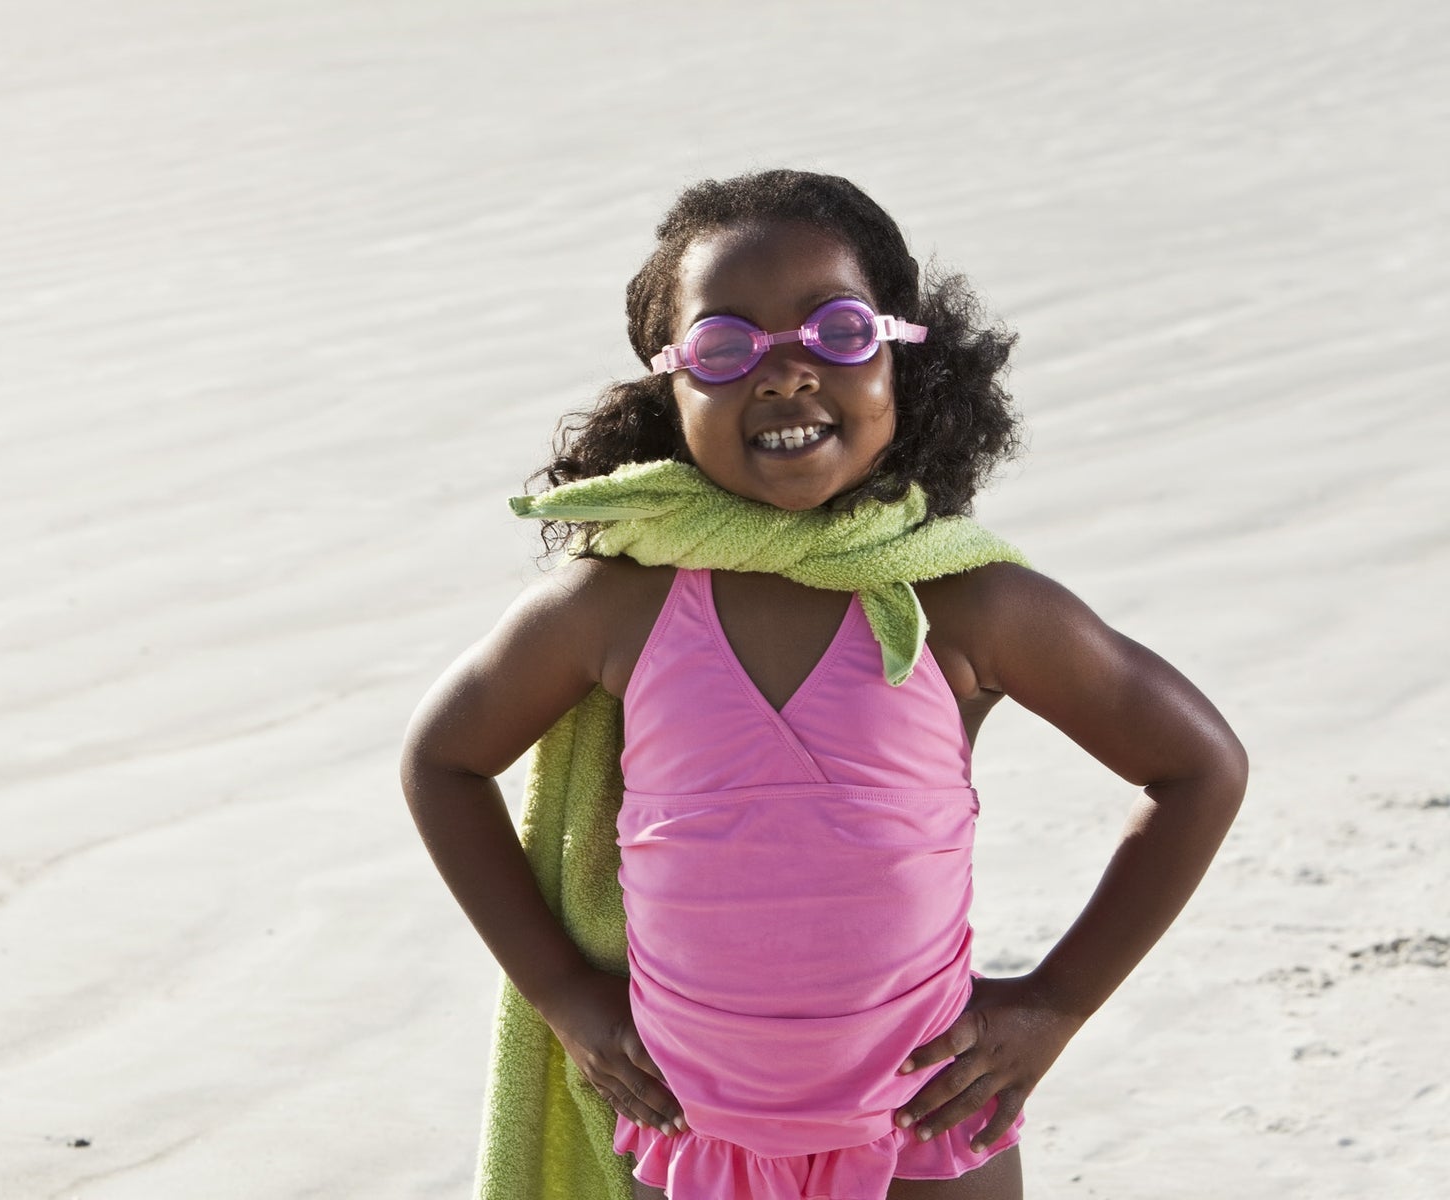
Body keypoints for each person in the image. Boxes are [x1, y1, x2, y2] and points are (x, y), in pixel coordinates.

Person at [399, 168, 1248, 1200]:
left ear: (898, 352)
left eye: (834, 331)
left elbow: (1197, 767)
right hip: (699, 1134)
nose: (784, 373)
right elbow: (441, 761)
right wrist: (564, 995)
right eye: (723, 348)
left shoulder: (965, 602)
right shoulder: (615, 605)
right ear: (668, 389)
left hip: (925, 1130)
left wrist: (1054, 1004)